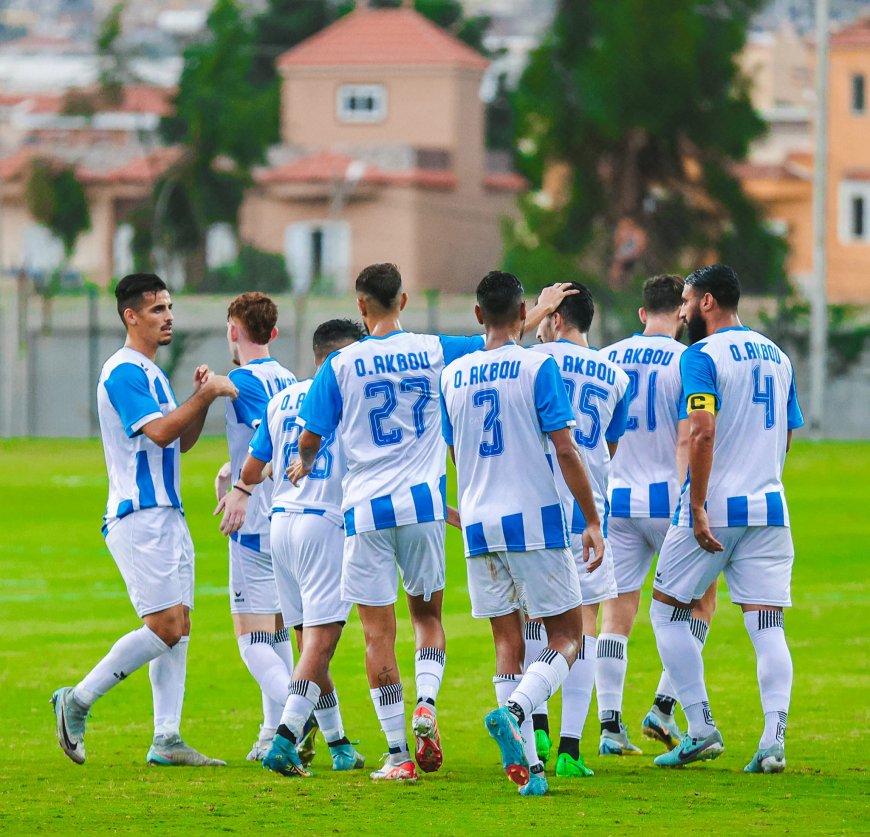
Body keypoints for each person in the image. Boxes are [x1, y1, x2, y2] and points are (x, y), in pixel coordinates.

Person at [291, 263, 574, 782]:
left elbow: (310, 439)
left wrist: (305, 462)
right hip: (423, 505)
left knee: (378, 634)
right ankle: (426, 702)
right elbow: (499, 343)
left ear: (360, 305)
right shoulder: (430, 349)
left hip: (365, 511)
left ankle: (398, 754)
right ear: (403, 300)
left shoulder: (341, 364)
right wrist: (543, 309)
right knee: (428, 618)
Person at [51, 273, 236, 766]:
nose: (168, 316)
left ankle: (166, 738)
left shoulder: (152, 373)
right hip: (139, 514)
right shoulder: (124, 371)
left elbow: (179, 440)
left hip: (167, 513)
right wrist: (206, 396)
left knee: (182, 626)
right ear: (131, 316)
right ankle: (77, 700)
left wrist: (198, 400)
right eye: (157, 310)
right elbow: (157, 433)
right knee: (165, 625)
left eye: (170, 307)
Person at [440, 270, 605, 797]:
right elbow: (564, 449)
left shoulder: (454, 376)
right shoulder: (539, 366)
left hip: (479, 523)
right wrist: (593, 519)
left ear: (477, 315)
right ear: (524, 313)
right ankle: (515, 709)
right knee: (568, 636)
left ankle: (531, 773)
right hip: (533, 519)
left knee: (507, 644)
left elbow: (455, 451)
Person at [649, 264, 803, 773]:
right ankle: (773, 740)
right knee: (767, 627)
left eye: (687, 302)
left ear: (708, 302)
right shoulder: (778, 357)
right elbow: (786, 432)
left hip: (716, 508)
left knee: (666, 611)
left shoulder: (701, 356)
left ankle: (699, 727)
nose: (683, 311)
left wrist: (696, 506)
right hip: (769, 506)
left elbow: (702, 431)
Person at [225, 319, 367, 778]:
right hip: (323, 526)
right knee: (321, 644)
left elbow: (252, 466)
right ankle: (285, 739)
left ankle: (339, 742)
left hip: (280, 527)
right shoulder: (350, 394)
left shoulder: (283, 399)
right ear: (341, 356)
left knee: (309, 643)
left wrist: (250, 481)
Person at [599, 275, 717, 755]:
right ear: (683, 314)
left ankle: (609, 728)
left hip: (617, 500)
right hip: (668, 502)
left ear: (642, 313)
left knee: (616, 615)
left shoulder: (608, 358)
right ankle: (664, 707)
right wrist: (696, 502)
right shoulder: (687, 360)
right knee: (698, 605)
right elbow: (689, 434)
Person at [529, 282, 630, 778]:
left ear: (557, 320)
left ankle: (538, 722)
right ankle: (571, 748)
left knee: (534, 618)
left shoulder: (535, 363)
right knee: (584, 625)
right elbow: (610, 448)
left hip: (538, 509)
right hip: (590, 515)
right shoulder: (616, 375)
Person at [213, 292, 296, 762]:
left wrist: (241, 489)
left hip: (253, 520)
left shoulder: (241, 381)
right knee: (278, 633)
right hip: (288, 516)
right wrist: (234, 469)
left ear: (233, 330)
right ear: (275, 332)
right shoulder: (289, 376)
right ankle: (270, 732)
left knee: (250, 642)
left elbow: (263, 426)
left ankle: (294, 718)